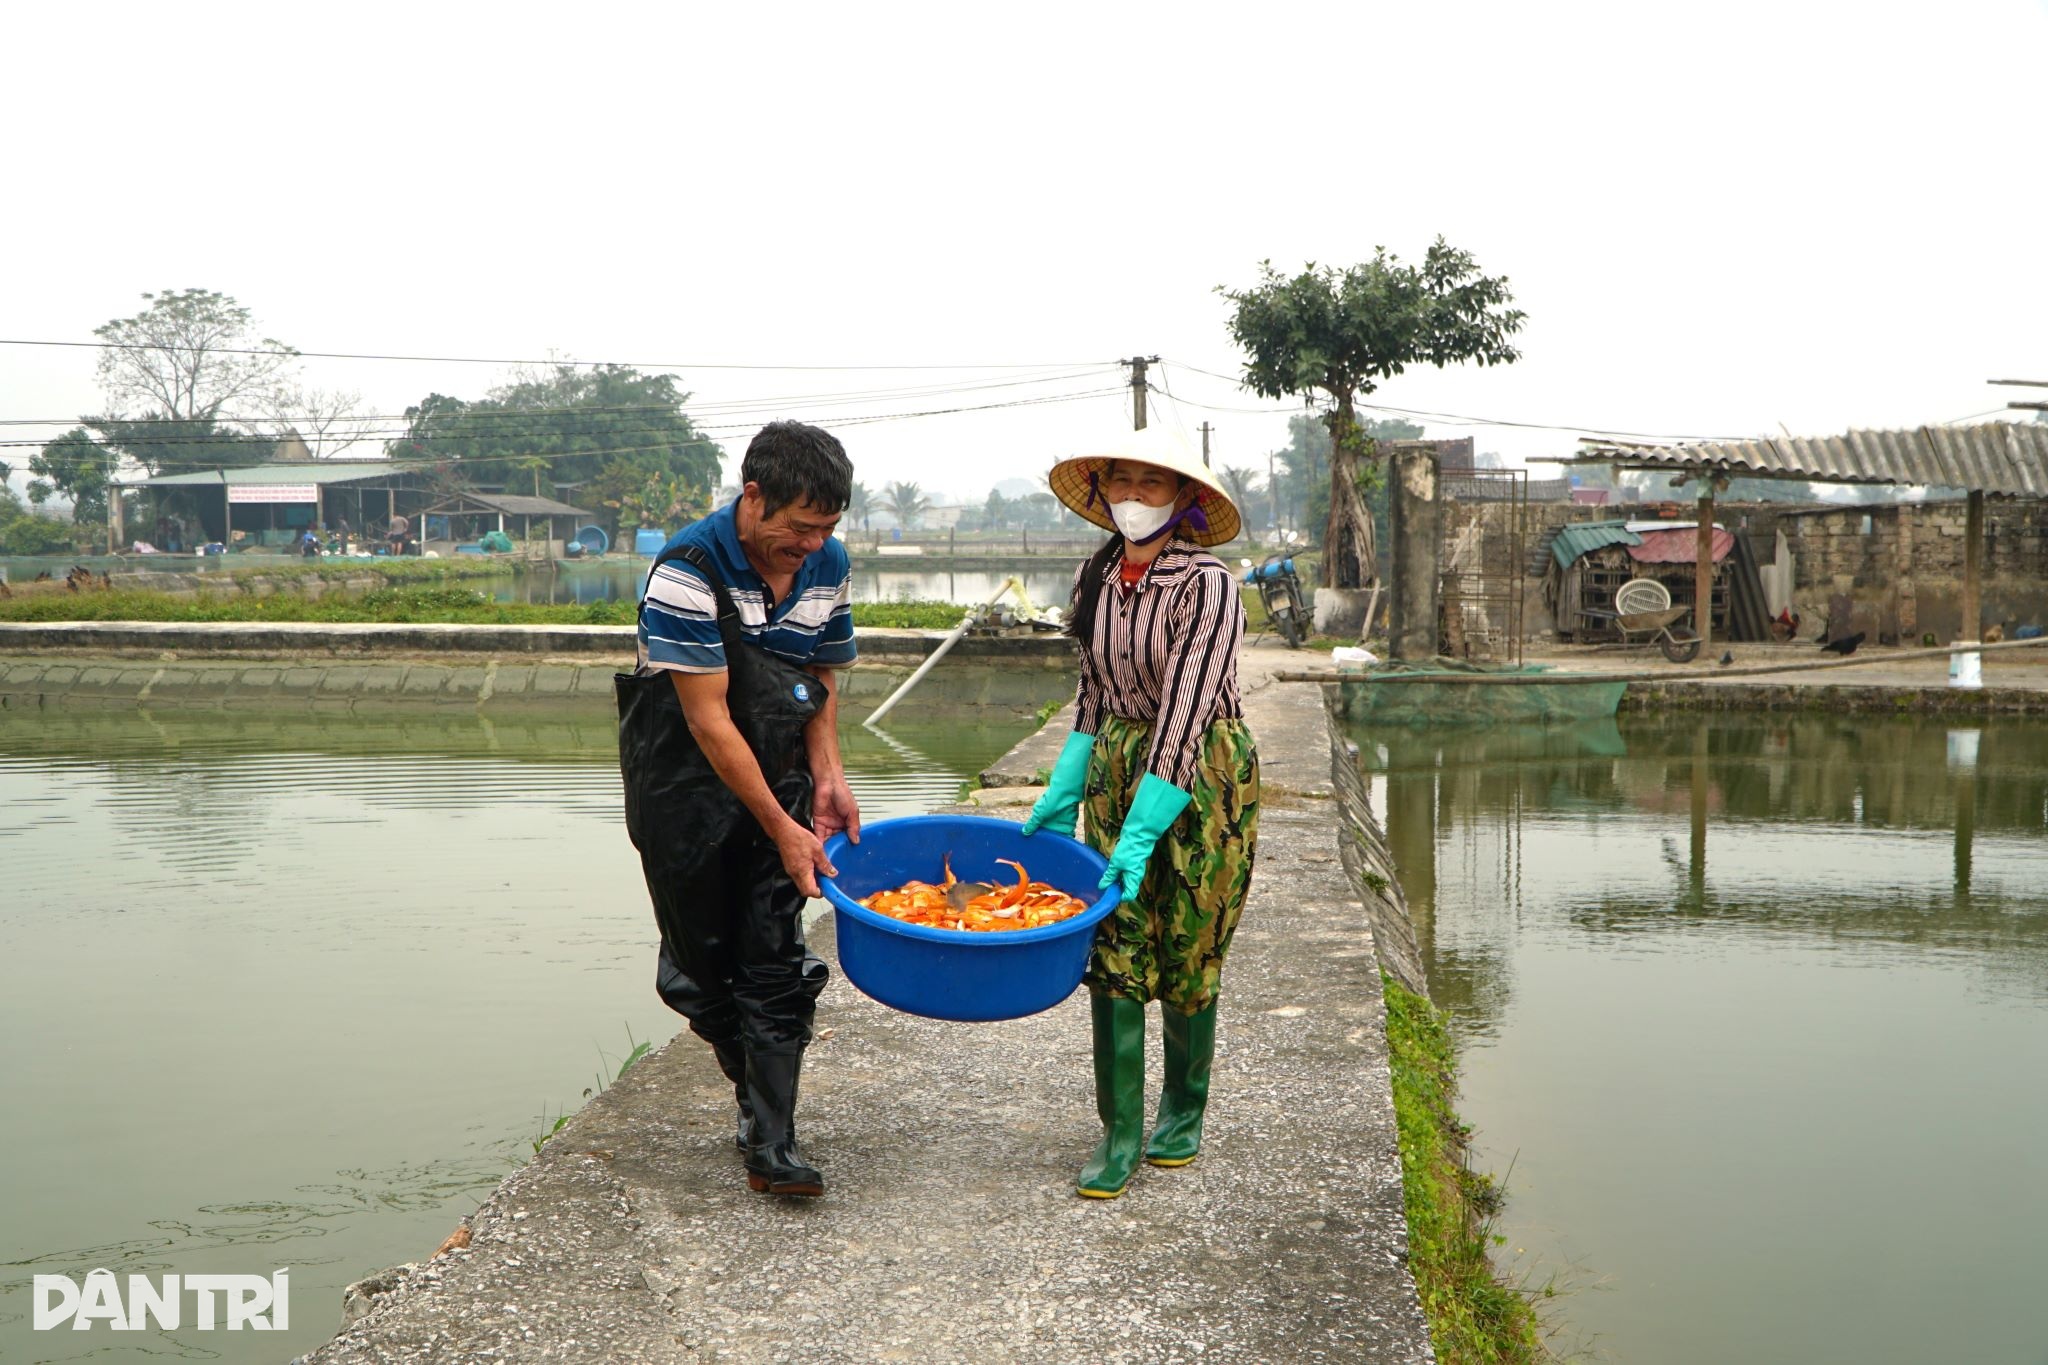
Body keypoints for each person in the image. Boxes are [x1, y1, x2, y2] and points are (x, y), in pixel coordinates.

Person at [617, 421, 859, 1198]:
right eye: (800, 526)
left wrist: (825, 777)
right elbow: (708, 719)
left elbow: (816, 675)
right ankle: (754, 1094)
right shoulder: (687, 567)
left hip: (779, 768)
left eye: (827, 528)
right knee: (698, 971)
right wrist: (783, 827)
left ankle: (773, 1141)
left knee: (772, 956)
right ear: (752, 497)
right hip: (682, 783)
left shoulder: (826, 563)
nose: (814, 544)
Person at [1025, 426, 1260, 1200]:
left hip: (1201, 778)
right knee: (1115, 944)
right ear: (1101, 494)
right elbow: (1092, 696)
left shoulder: (1207, 585)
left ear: (1185, 498)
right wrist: (1062, 794)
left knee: (1191, 939)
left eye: (1152, 485)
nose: (1133, 497)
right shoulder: (1094, 575)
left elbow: (1189, 712)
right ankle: (1120, 1129)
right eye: (1121, 482)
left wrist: (1142, 832)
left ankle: (1182, 1111)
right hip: (1117, 766)